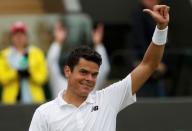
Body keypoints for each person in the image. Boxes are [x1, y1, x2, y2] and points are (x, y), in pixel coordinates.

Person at [29, 5, 170, 131]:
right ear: (67, 71)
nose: (89, 79)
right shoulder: (44, 113)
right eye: (83, 72)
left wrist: (161, 29)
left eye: (94, 74)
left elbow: (149, 65)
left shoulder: (108, 99)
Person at [47, 21, 110, 98]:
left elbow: (104, 69)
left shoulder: (90, 85)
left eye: (92, 74)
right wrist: (57, 42)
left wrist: (98, 44)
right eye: (83, 72)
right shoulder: (59, 84)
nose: (87, 78)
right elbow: (51, 64)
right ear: (68, 71)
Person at [0, 21, 48, 104]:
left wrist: (30, 73)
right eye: (16, 34)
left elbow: (43, 77)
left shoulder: (37, 53)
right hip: (11, 102)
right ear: (12, 37)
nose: (19, 37)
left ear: (26, 36)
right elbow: (2, 78)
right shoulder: (4, 55)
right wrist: (16, 73)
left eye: (22, 34)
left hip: (35, 101)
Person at [132, 0, 168, 97]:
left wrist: (163, 62)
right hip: (142, 63)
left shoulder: (162, 13)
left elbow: (167, 42)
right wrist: (154, 62)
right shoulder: (138, 14)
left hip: (159, 70)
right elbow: (139, 40)